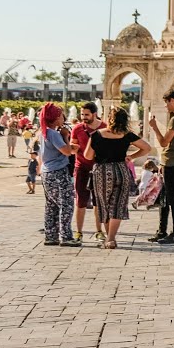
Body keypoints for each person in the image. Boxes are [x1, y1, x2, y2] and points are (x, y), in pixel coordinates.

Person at [84, 106, 154, 248]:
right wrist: (131, 157)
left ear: (109, 119)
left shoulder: (97, 135)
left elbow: (88, 156)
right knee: (117, 205)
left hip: (102, 172)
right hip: (121, 170)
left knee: (104, 204)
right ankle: (111, 238)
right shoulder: (127, 134)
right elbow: (147, 148)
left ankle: (108, 238)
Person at [147, 89, 174, 244]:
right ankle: (162, 231)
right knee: (165, 197)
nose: (166, 106)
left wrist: (154, 127)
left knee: (173, 198)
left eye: (166, 102)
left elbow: (164, 142)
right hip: (173, 160)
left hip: (173, 161)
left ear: (172, 100)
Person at [37, 103, 78, 244]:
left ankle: (51, 235)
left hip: (46, 171)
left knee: (51, 205)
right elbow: (66, 151)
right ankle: (66, 236)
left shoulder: (44, 132)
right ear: (55, 118)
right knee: (66, 204)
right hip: (58, 172)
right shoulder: (54, 133)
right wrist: (66, 136)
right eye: (61, 116)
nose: (63, 118)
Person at [69, 103, 105, 244]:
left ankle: (99, 231)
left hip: (99, 168)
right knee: (80, 201)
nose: (83, 117)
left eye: (86, 115)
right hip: (82, 167)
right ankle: (78, 232)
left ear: (94, 114)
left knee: (98, 202)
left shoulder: (105, 127)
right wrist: (72, 147)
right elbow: (73, 145)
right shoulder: (77, 128)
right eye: (82, 114)